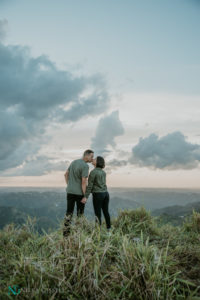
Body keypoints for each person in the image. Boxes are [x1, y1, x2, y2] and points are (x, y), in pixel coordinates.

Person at [63, 149, 94, 237]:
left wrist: (69, 185)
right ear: (86, 155)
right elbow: (84, 182)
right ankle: (78, 234)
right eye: (91, 157)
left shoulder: (74, 162)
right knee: (80, 214)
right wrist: (85, 195)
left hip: (70, 191)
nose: (92, 159)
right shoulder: (85, 166)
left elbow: (66, 174)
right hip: (79, 193)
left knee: (69, 213)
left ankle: (65, 234)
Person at [81, 156, 111, 231]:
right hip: (106, 194)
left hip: (98, 195)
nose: (93, 159)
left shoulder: (93, 172)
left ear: (97, 162)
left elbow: (90, 185)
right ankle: (109, 230)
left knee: (98, 214)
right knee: (106, 212)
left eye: (95, 159)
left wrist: (85, 197)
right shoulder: (103, 172)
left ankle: (98, 232)